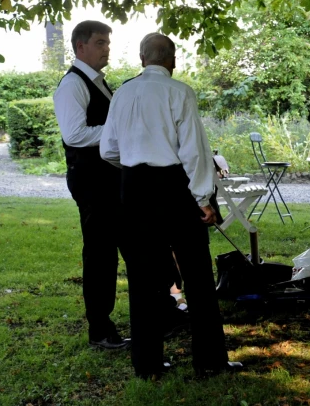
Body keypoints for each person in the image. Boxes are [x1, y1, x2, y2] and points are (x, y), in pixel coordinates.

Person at [100, 33, 241, 379]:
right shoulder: (179, 92)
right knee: (196, 275)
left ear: (141, 57)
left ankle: (146, 364)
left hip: (133, 188)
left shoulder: (121, 94)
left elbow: (107, 150)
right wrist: (204, 198)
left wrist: (135, 166)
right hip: (173, 186)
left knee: (143, 277)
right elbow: (193, 151)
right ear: (172, 60)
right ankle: (209, 360)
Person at [52, 20, 131, 350]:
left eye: (107, 42)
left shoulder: (98, 82)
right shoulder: (72, 85)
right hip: (91, 180)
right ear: (80, 47)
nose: (106, 48)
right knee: (100, 254)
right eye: (100, 42)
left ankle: (166, 307)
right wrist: (120, 133)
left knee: (129, 244)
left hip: (109, 179)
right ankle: (99, 328)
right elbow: (74, 135)